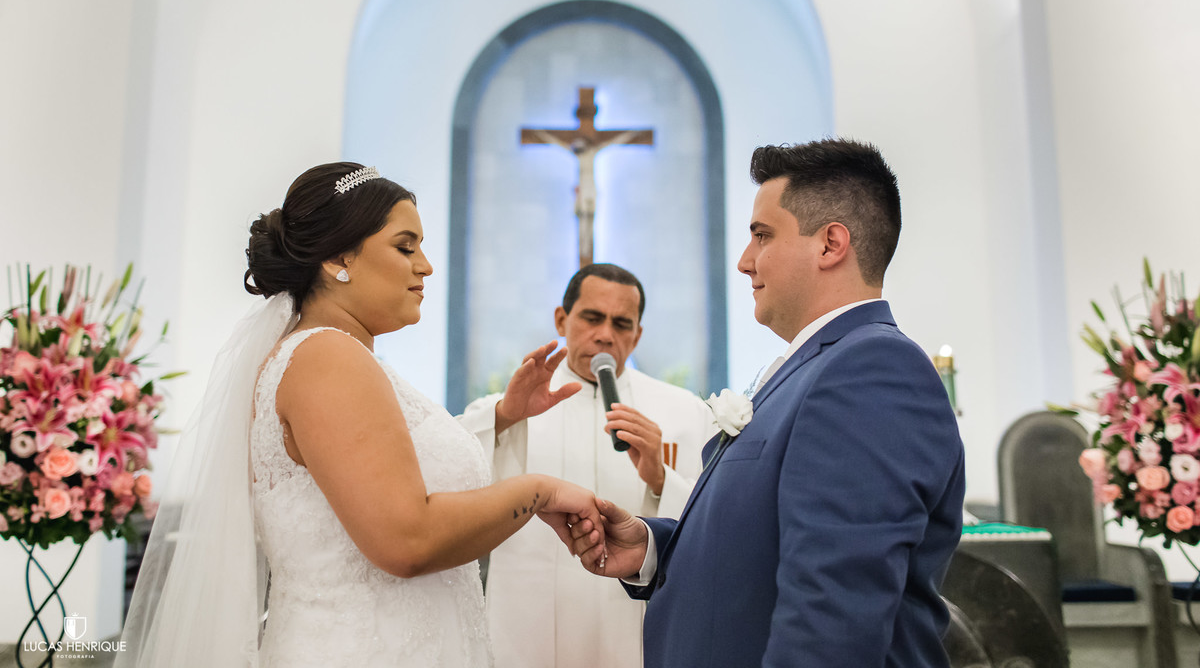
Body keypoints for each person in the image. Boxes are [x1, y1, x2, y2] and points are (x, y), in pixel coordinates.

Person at [118, 162, 604, 667]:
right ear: (337, 258)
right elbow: (406, 539)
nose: (426, 267)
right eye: (405, 246)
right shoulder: (329, 358)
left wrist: (502, 416)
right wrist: (539, 490)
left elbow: (381, 476)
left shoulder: (334, 358)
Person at [570, 140, 967, 667]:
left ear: (830, 245)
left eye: (762, 235)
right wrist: (652, 547)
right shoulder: (817, 367)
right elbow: (765, 545)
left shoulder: (872, 371)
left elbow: (833, 609)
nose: (744, 261)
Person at [460, 263, 716, 668]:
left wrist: (659, 479)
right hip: (529, 628)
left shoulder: (683, 411)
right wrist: (507, 414)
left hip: (631, 627)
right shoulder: (512, 404)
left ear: (638, 334)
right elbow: (452, 478)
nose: (605, 334)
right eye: (592, 318)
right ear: (562, 320)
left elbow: (711, 523)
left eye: (622, 323)